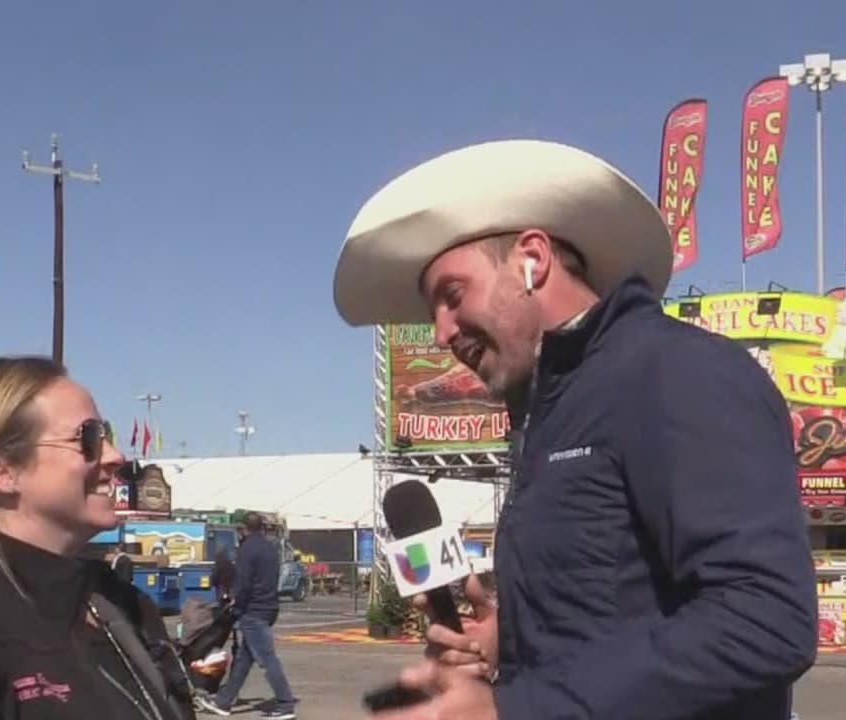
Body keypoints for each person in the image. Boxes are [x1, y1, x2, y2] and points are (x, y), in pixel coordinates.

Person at [333, 140, 817, 719]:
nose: (440, 333)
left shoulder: (675, 372)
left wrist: (510, 711)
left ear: (532, 260)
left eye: (452, 296)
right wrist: (509, 638)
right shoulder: (549, 415)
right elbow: (619, 607)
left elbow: (764, 617)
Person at [0, 356, 196, 719]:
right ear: (2, 471)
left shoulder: (119, 601)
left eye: (106, 436)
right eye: (88, 438)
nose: (115, 457)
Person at [195, 512, 296, 719]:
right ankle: (223, 702)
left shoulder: (247, 549)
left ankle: (285, 703)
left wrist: (236, 602)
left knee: (267, 659)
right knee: (243, 658)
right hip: (269, 606)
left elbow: (244, 581)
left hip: (253, 609)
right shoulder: (270, 547)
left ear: (243, 529)